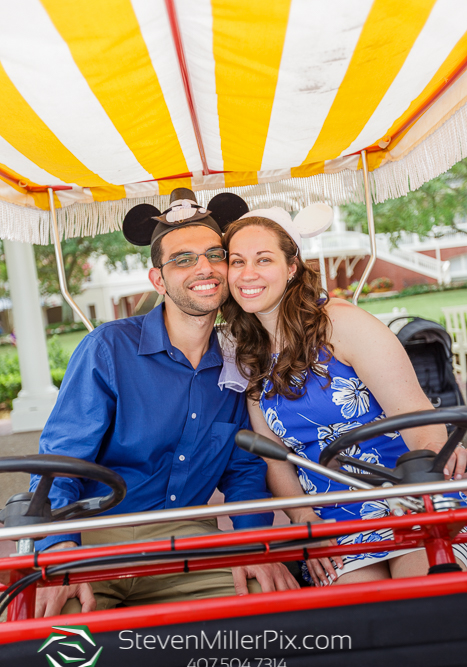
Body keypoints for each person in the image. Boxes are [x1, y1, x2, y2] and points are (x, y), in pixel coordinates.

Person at [31, 190, 298, 617]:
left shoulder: (238, 360)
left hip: (190, 541)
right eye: (183, 259)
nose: (204, 268)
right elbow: (60, 462)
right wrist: (57, 547)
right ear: (159, 280)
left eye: (215, 254)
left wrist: (250, 543)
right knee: (56, 652)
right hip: (98, 538)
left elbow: (244, 468)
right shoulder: (108, 349)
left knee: (272, 620)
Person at [221, 207, 467, 587]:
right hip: (331, 523)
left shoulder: (341, 324)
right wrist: (304, 521)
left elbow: (417, 414)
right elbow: (275, 459)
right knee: (360, 622)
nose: (247, 273)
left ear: (291, 268)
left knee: (428, 601)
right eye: (237, 261)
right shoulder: (248, 353)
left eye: (263, 259)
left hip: (405, 496)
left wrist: (429, 490)